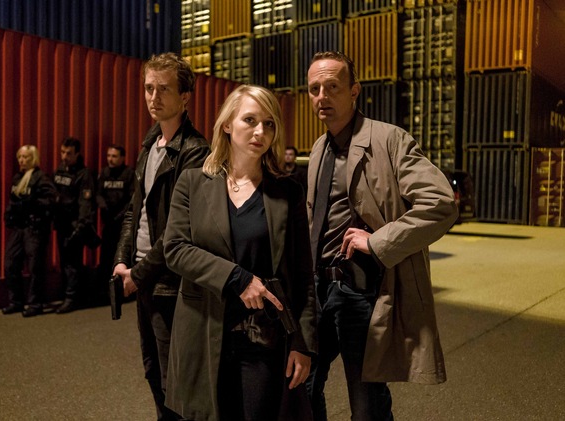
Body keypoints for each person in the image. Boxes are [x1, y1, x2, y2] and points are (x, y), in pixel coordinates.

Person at [304, 51, 458, 420]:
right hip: (318, 290)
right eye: (314, 89)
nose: (322, 96)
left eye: (332, 87)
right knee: (301, 391)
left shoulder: (389, 139)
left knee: (366, 406)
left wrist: (376, 241)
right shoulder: (318, 149)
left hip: (359, 292)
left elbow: (440, 203)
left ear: (354, 91)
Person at [163, 84, 318, 421]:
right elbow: (175, 249)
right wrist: (238, 278)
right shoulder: (192, 183)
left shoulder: (287, 191)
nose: (260, 131)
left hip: (263, 337)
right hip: (204, 330)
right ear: (227, 125)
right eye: (250, 120)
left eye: (269, 123)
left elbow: (302, 274)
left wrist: (302, 343)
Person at [113, 52, 210, 421]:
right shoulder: (150, 142)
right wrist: (122, 261)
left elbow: (178, 230)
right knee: (153, 371)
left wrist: (137, 275)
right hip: (143, 276)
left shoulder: (195, 151)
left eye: (163, 89)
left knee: (176, 381)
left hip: (170, 281)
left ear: (185, 96)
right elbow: (133, 211)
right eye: (149, 88)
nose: (153, 97)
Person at [2, 145, 57, 317]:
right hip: (19, 227)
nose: (22, 160)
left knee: (35, 267)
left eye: (25, 157)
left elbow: (51, 200)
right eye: (20, 157)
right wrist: (9, 214)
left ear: (33, 159)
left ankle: (35, 303)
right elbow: (13, 200)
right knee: (10, 263)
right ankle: (16, 301)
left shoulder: (41, 178)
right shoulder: (17, 177)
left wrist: (33, 203)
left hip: (34, 228)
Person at [53, 137, 97, 314]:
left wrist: (81, 224)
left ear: (77, 153)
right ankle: (68, 293)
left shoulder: (84, 174)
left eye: (69, 153)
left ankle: (72, 298)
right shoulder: (60, 169)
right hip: (61, 223)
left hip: (74, 225)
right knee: (64, 261)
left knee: (72, 263)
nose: (64, 156)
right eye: (62, 152)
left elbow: (85, 202)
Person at [96, 145, 135, 286]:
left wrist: (121, 215)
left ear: (122, 158)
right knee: (106, 256)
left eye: (114, 156)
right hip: (108, 222)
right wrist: (103, 206)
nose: (110, 159)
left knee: (122, 255)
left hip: (122, 223)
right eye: (108, 156)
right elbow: (98, 194)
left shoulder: (129, 173)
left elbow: (132, 198)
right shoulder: (104, 172)